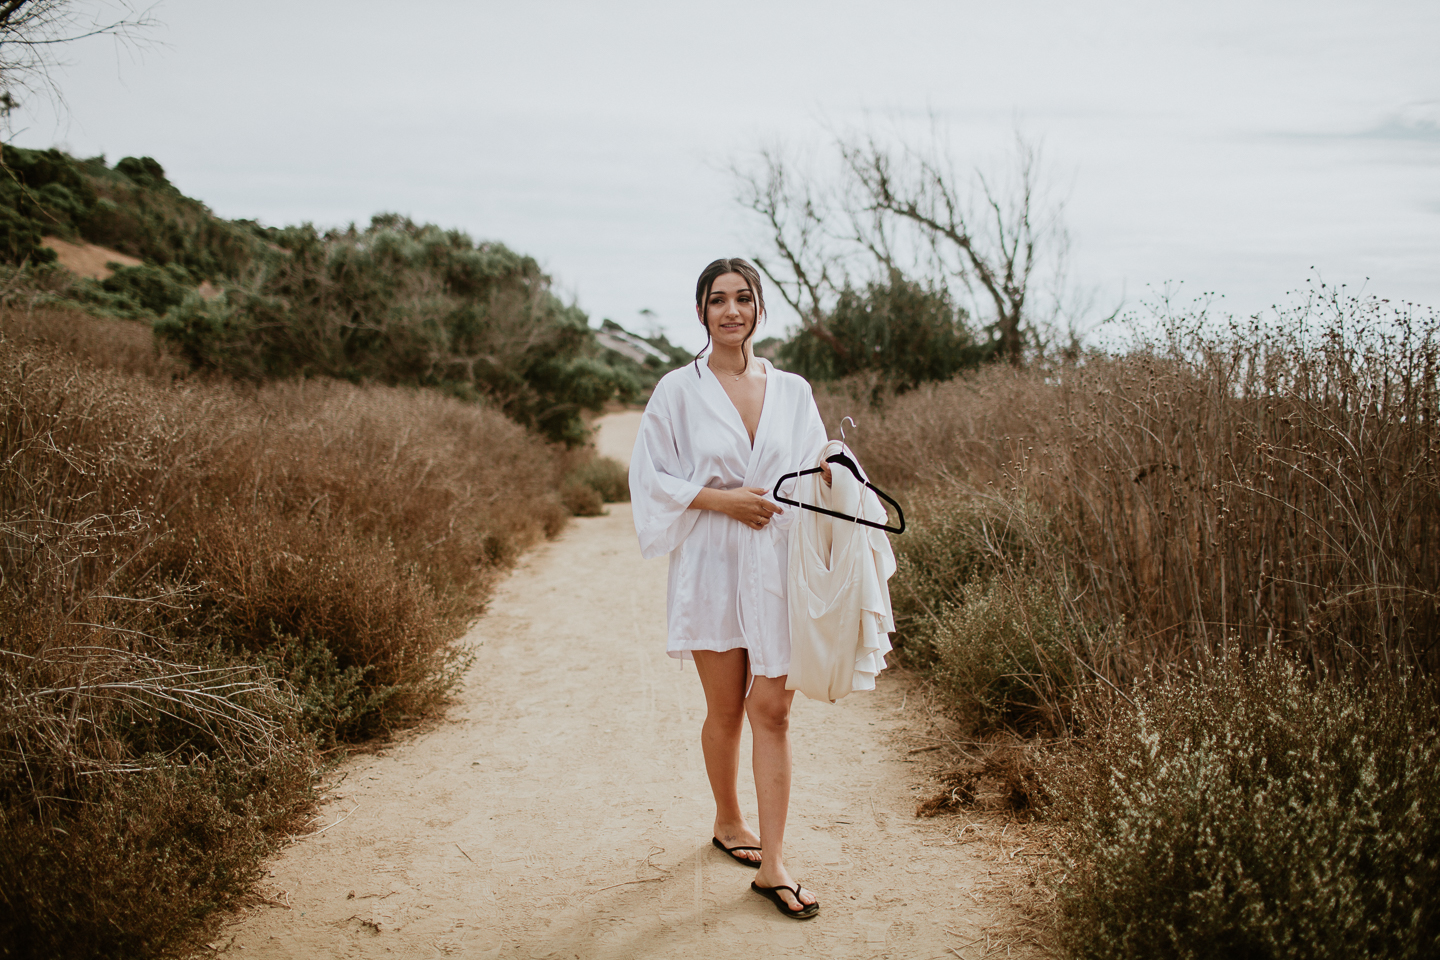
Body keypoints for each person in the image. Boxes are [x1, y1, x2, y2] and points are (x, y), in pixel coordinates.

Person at [629, 258, 828, 919]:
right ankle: (726, 819)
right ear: (702, 312)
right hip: (711, 562)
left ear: (760, 309)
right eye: (719, 300)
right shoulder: (677, 391)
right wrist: (718, 500)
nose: (732, 310)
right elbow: (650, 475)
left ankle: (773, 866)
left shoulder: (793, 389)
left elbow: (815, 457)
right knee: (728, 711)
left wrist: (835, 468)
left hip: (774, 562)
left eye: (744, 299)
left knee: (774, 710)